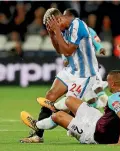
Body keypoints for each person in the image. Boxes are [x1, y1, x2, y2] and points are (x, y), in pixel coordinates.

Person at [20, 8, 107, 143]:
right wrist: (51, 34)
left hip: (84, 75)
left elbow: (67, 51)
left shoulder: (78, 25)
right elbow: (59, 49)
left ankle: (84, 127)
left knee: (66, 106)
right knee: (50, 96)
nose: (55, 29)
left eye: (52, 25)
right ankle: (38, 135)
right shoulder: (62, 29)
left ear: (58, 19)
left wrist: (56, 32)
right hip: (70, 70)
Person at [21, 70, 120, 145]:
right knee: (69, 99)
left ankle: (37, 125)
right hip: (100, 123)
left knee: (58, 116)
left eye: (108, 82)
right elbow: (116, 117)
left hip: (96, 135)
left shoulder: (114, 98)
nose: (107, 85)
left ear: (113, 83)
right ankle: (56, 107)